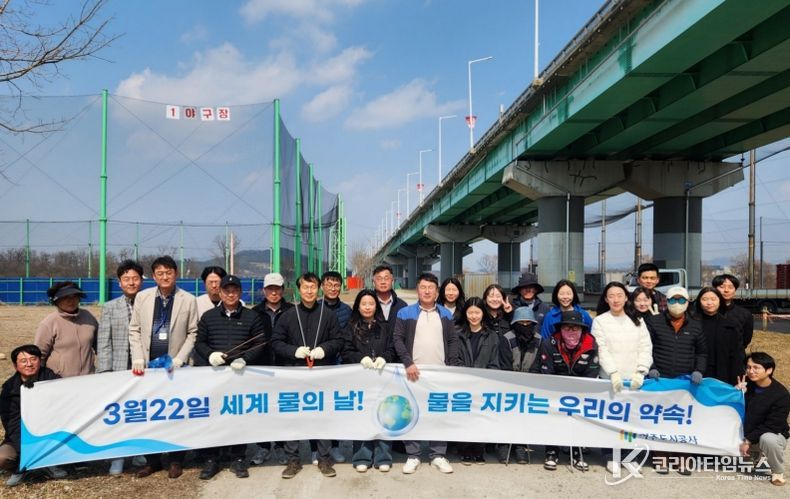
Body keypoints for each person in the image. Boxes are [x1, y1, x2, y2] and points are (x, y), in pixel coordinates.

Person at [129, 255, 199, 479]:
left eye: (169, 272)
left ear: (176, 274)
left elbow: (193, 332)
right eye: (160, 273)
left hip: (175, 369)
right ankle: (152, 460)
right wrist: (138, 357)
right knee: (150, 413)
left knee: (177, 413)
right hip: (148, 366)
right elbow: (134, 329)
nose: (165, 277)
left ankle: (176, 459)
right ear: (153, 276)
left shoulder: (188, 299)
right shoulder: (143, 297)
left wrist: (180, 358)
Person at [271, 272, 343, 479]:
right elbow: (276, 342)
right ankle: (293, 460)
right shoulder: (288, 315)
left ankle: (324, 458)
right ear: (298, 290)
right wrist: (293, 351)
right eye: (305, 287)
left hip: (321, 374)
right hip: (294, 373)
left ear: (318, 289)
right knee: (293, 418)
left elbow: (338, 340)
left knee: (322, 417)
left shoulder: (327, 315)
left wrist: (324, 349)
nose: (309, 291)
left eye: (313, 287)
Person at [195, 274, 265, 480]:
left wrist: (245, 358)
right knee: (213, 417)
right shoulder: (208, 316)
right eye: (227, 291)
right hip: (215, 376)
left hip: (240, 375)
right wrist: (210, 355)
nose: (231, 294)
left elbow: (260, 342)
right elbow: (199, 342)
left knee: (238, 417)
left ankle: (238, 457)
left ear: (240, 293)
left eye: (235, 291)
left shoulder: (251, 316)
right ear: (220, 292)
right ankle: (211, 458)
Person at [393, 272, 459, 475]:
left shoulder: (445, 314)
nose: (427, 291)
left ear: (437, 291)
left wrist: (451, 366)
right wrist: (408, 363)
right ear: (417, 290)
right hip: (413, 373)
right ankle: (413, 455)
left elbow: (452, 341)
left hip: (439, 373)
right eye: (423, 287)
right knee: (411, 412)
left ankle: (437, 455)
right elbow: (398, 339)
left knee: (438, 413)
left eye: (431, 288)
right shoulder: (405, 313)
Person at [591, 282, 653, 474]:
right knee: (610, 419)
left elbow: (645, 347)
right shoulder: (600, 321)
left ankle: (629, 455)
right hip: (610, 379)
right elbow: (601, 349)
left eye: (620, 295)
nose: (616, 299)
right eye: (611, 296)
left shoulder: (637, 320)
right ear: (606, 299)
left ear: (627, 298)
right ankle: (611, 456)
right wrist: (612, 372)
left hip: (634, 380)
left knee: (631, 420)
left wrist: (641, 371)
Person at [644, 286, 706, 475]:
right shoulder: (654, 322)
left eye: (681, 300)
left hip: (685, 383)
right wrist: (651, 367)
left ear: (687, 303)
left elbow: (702, 352)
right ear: (666, 302)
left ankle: (683, 457)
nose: (677, 304)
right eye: (672, 300)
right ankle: (661, 456)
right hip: (660, 380)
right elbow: (645, 348)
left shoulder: (695, 325)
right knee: (659, 419)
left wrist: (699, 370)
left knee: (683, 420)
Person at [531, 310, 599, 472]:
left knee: (579, 416)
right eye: (567, 328)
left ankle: (576, 451)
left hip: (580, 391)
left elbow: (592, 373)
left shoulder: (591, 344)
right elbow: (546, 371)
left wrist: (579, 393)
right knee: (553, 415)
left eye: (575, 328)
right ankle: (551, 451)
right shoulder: (549, 343)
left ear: (582, 330)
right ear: (560, 329)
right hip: (554, 389)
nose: (571, 332)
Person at [96, 259, 144, 476]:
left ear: (141, 280)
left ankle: (139, 451)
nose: (131, 282)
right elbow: (103, 342)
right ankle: (118, 456)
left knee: (140, 410)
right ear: (119, 282)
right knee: (118, 412)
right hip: (119, 367)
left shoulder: (149, 303)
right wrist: (104, 371)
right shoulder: (110, 307)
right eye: (127, 279)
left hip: (143, 367)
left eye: (135, 278)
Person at [341, 289, 395, 473]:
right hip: (360, 380)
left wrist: (385, 357)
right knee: (362, 417)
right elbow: (345, 350)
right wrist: (359, 358)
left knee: (384, 416)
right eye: (363, 304)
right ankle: (362, 456)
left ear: (376, 306)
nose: (367, 307)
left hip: (383, 379)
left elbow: (392, 348)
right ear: (358, 306)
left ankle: (383, 456)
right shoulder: (350, 327)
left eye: (371, 304)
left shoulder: (385, 327)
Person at [0, 345, 64, 486]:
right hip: (22, 437)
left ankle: (50, 464)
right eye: (23, 361)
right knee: (3, 457)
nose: (29, 364)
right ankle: (22, 467)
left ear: (40, 361)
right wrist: (28, 450)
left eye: (33, 359)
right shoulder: (9, 390)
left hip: (51, 434)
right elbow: (12, 425)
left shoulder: (55, 381)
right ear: (15, 366)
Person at [250, 271, 293, 466]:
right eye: (270, 289)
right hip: (262, 367)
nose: (274, 293)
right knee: (263, 409)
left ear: (283, 290)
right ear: (264, 290)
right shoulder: (254, 312)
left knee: (283, 409)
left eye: (277, 288)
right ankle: (263, 446)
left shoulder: (291, 311)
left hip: (285, 366)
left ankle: (282, 446)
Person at [456, 297, 500, 465]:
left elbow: (495, 361)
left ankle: (479, 450)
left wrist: (487, 378)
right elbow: (455, 359)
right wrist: (465, 376)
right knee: (464, 416)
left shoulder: (492, 336)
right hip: (463, 383)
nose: (474, 316)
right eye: (470, 312)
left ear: (483, 313)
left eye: (477, 312)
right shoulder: (458, 334)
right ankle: (465, 450)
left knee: (481, 416)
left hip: (484, 384)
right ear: (465, 314)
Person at [737, 352, 789, 487]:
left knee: (768, 439)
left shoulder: (781, 395)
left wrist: (748, 440)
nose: (751, 371)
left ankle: (777, 472)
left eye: (756, 367)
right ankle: (755, 454)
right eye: (749, 367)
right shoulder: (746, 385)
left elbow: (772, 425)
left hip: (772, 434)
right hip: (749, 432)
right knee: (744, 466)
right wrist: (737, 393)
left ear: (769, 370)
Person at [317, 270, 351, 464]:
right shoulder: (315, 307)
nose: (333, 288)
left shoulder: (346, 310)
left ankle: (335, 446)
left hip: (339, 365)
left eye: (336, 285)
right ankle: (315, 449)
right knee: (317, 408)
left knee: (336, 408)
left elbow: (347, 338)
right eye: (329, 284)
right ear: (322, 286)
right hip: (318, 365)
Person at [500, 306, 541, 464]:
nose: (525, 326)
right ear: (514, 323)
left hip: (530, 384)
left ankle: (520, 446)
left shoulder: (539, 339)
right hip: (509, 383)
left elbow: (538, 363)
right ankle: (503, 445)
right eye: (521, 323)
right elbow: (504, 363)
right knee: (506, 415)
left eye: (528, 323)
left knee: (524, 418)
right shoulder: (507, 338)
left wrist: (530, 382)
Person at [35, 281, 98, 377]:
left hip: (88, 377)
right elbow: (39, 355)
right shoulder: (49, 323)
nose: (71, 301)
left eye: (75, 296)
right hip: (58, 379)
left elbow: (100, 346)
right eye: (65, 297)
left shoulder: (88, 317)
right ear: (56, 301)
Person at [694, 287, 743, 385]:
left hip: (722, 372)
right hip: (697, 372)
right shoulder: (692, 323)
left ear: (720, 301)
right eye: (704, 299)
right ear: (699, 302)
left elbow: (736, 355)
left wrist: (736, 379)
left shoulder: (730, 325)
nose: (709, 303)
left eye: (713, 299)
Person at [713, 273, 753, 349]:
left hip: (736, 354)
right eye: (722, 287)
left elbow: (746, 339)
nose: (726, 290)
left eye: (731, 287)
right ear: (714, 289)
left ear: (735, 290)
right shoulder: (705, 312)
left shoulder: (745, 314)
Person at [482, 284, 514, 372]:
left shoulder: (508, 317)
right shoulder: (481, 317)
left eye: (498, 296)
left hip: (506, 365)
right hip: (486, 366)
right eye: (491, 296)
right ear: (485, 298)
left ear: (503, 298)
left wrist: (510, 313)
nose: (495, 299)